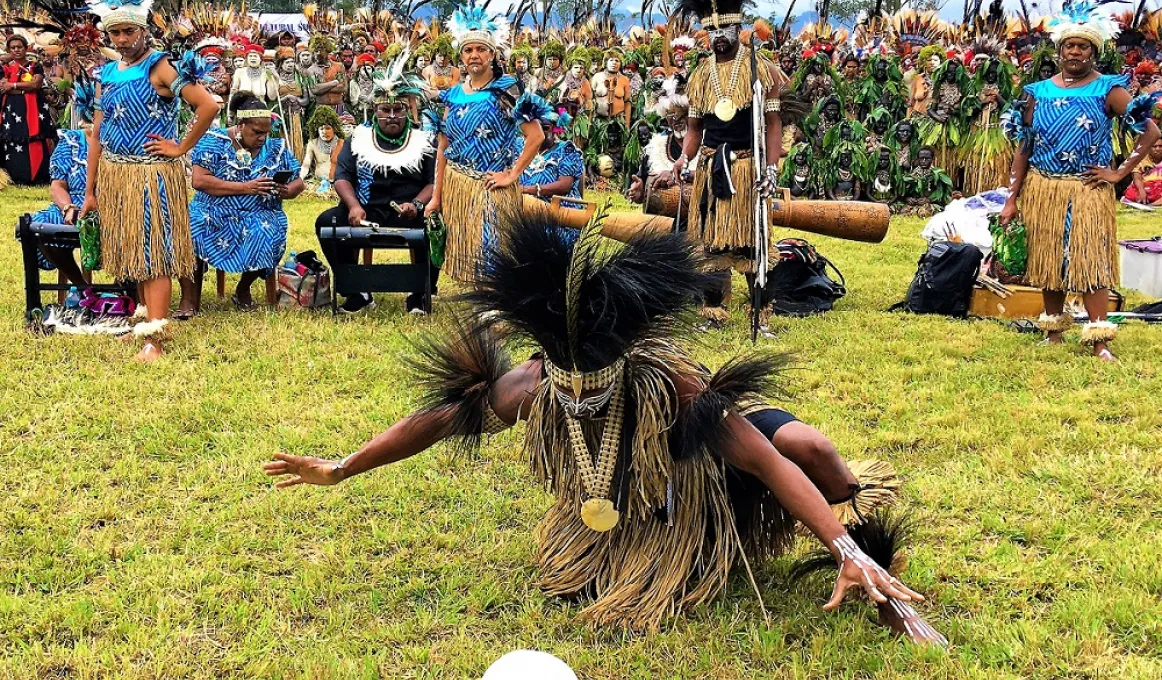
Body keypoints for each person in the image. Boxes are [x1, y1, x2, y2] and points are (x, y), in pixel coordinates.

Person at [263, 211, 945, 645]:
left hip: (700, 479)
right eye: (569, 388)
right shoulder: (533, 383)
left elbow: (768, 464)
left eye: (596, 387)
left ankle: (869, 563)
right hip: (626, 512)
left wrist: (844, 546)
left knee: (809, 448)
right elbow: (440, 420)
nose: (581, 401)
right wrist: (344, 465)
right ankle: (641, 548)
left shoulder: (672, 385)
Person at [1000, 4, 1161, 362]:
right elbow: (1024, 147)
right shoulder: (1036, 92)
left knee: (1091, 261)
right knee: (1048, 259)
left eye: (1083, 47)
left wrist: (1119, 173)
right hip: (1042, 188)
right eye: (1069, 46)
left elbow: (1150, 131)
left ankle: (1099, 340)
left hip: (1088, 187)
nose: (1075, 52)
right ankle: (1053, 332)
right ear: (1058, 51)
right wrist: (1012, 198)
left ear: (1094, 51)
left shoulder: (1108, 89)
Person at [80, 0, 219, 362]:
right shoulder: (106, 73)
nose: (123, 39)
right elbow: (97, 134)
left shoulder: (159, 68)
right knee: (134, 250)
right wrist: (90, 191)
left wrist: (181, 147)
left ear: (144, 31)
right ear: (107, 34)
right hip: (115, 174)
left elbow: (208, 106)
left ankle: (155, 339)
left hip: (151, 174)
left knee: (153, 252)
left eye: (130, 32)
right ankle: (145, 322)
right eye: (116, 32)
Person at [671, 0, 788, 324]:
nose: (719, 36)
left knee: (753, 244)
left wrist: (771, 168)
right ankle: (712, 313)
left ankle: (759, 315)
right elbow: (695, 130)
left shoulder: (760, 69)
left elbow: (773, 123)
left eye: (726, 29)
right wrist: (683, 159)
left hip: (748, 168)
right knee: (710, 247)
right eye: (713, 31)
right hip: (711, 169)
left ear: (739, 28)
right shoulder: (700, 76)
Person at [427, 4, 548, 281]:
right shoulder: (453, 94)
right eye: (468, 50)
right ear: (461, 56)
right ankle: (478, 300)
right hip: (458, 185)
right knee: (466, 250)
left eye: (481, 49)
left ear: (492, 54)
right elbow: (443, 145)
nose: (474, 55)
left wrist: (512, 174)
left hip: (491, 186)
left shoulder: (505, 89)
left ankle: (494, 303)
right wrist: (437, 196)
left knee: (492, 249)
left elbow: (536, 135)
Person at [315, 57, 438, 315]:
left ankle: (420, 293)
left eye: (398, 110)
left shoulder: (423, 141)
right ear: (375, 111)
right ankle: (355, 291)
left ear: (406, 111)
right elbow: (341, 177)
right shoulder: (358, 138)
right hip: (365, 210)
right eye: (385, 110)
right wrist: (353, 206)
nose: (392, 116)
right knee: (327, 223)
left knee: (438, 225)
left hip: (410, 211)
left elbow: (432, 181)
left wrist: (416, 204)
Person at [189, 95, 304, 311]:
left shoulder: (275, 147)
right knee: (193, 225)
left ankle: (243, 287)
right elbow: (199, 180)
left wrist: (288, 190)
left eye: (266, 132)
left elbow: (299, 182)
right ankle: (190, 298)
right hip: (213, 210)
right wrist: (245, 188)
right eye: (257, 132)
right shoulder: (213, 140)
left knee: (267, 231)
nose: (262, 138)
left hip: (260, 212)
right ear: (241, 125)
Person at [29, 80, 96, 287]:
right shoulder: (71, 140)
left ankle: (125, 290)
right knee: (39, 225)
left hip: (111, 207)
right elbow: (58, 185)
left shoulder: (122, 142)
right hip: (73, 203)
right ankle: (83, 287)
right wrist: (68, 207)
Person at [1, 34, 54, 185]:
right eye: (13, 48)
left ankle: (36, 176)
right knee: (13, 138)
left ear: (25, 48)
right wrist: (23, 90)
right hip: (12, 109)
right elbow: (3, 87)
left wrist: (14, 86)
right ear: (9, 50)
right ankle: (15, 176)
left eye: (20, 47)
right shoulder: (5, 68)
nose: (16, 50)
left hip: (33, 110)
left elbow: (36, 85)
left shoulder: (34, 66)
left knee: (34, 138)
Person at [519, 110, 583, 203]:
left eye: (544, 128)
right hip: (518, 206)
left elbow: (564, 186)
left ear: (554, 129)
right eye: (534, 127)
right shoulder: (519, 146)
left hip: (556, 210)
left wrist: (528, 190)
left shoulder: (566, 150)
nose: (539, 132)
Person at [300, 106, 345, 196]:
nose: (324, 132)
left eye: (328, 128)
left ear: (334, 129)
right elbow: (306, 165)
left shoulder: (341, 143)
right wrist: (300, 179)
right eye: (321, 129)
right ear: (316, 129)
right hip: (319, 182)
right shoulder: (312, 143)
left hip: (338, 182)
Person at [1124, 137, 1162, 205]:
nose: (1158, 149)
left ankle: (1153, 204)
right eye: (1154, 146)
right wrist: (1141, 191)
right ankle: (1147, 202)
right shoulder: (1141, 160)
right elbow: (1137, 177)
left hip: (1160, 189)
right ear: (1149, 148)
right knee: (1131, 192)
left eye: (1160, 146)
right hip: (1146, 188)